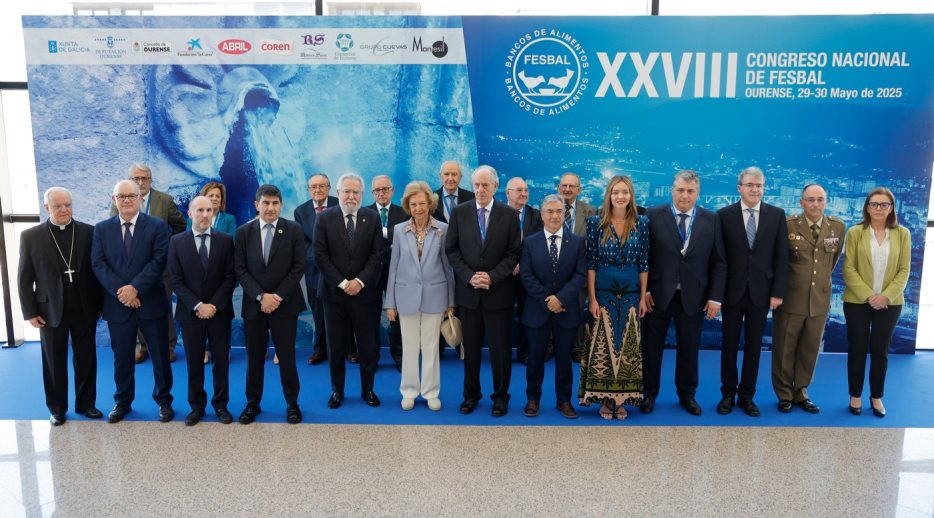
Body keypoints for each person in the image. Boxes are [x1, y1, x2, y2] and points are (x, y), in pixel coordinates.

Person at [642, 170, 726, 416]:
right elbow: (644, 256)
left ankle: (687, 395)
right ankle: (648, 394)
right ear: (672, 190)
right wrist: (645, 290)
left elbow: (719, 262)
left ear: (698, 193)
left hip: (694, 296)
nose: (685, 195)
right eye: (680, 190)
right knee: (651, 348)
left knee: (689, 349)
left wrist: (715, 297)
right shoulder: (652, 215)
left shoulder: (711, 219)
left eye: (690, 191)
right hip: (657, 295)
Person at [18, 187, 103, 426]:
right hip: (49, 311)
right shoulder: (30, 236)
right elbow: (24, 278)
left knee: (86, 359)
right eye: (57, 206)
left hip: (84, 308)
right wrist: (30, 312)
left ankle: (86, 404)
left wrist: (100, 305)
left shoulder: (88, 232)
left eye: (68, 205)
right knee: (53, 362)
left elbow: (97, 273)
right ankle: (57, 408)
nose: (64, 210)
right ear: (47, 208)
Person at [92, 180, 174, 424]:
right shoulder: (101, 229)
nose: (127, 200)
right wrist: (123, 292)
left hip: (151, 302)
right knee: (122, 358)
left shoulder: (157, 226)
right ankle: (123, 401)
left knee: (160, 356)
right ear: (114, 199)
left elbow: (159, 261)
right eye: (121, 196)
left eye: (131, 196)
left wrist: (135, 288)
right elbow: (98, 264)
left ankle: (164, 401)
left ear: (140, 198)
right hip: (118, 304)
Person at [446, 165, 521, 417]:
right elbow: (452, 250)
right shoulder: (459, 212)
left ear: (495, 187)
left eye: (485, 185)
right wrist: (470, 277)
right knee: (470, 351)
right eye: (476, 185)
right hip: (469, 295)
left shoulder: (509, 215)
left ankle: (500, 397)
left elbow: (514, 253)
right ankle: (471, 395)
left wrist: (491, 277)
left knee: (500, 352)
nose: (480, 189)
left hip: (498, 295)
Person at [717, 166, 789, 417]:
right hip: (732, 292)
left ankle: (747, 396)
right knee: (729, 345)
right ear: (740, 188)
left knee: (754, 347)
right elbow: (719, 258)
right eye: (750, 185)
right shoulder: (723, 215)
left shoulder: (776, 215)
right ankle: (727, 394)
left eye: (759, 186)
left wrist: (778, 292)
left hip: (762, 292)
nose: (755, 189)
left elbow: (782, 257)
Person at [234, 184, 307, 424]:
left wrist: (276, 297)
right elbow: (240, 269)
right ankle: (252, 403)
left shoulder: (293, 230)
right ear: (257, 205)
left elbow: (298, 266)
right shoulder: (244, 232)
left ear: (281, 205)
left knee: (287, 357)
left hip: (284, 305)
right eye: (266, 203)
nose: (270, 208)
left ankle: (292, 403)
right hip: (254, 306)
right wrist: (260, 296)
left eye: (275, 203)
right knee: (255, 358)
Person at [314, 173, 387, 409]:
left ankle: (368, 389)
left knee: (367, 346)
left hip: (365, 296)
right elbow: (320, 256)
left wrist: (360, 282)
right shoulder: (324, 218)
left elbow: (377, 255)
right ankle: (337, 390)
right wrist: (344, 283)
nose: (351, 196)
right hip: (334, 295)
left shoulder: (372, 218)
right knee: (336, 346)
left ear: (362, 195)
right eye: (347, 191)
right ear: (338, 193)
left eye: (356, 192)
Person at [771, 184, 845, 415]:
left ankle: (801, 391)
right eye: (810, 199)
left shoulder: (837, 227)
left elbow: (830, 263)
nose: (815, 204)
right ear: (801, 202)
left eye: (820, 199)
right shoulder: (788, 225)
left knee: (810, 349)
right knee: (785, 348)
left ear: (826, 202)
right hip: (791, 297)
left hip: (819, 300)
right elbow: (779, 261)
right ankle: (784, 394)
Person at [580, 175, 648, 420]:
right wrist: (592, 298)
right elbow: (591, 263)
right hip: (603, 293)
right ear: (609, 195)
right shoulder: (595, 223)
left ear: (631, 195)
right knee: (603, 346)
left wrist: (643, 297)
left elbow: (644, 263)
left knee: (627, 347)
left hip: (631, 294)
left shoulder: (642, 223)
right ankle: (604, 399)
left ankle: (621, 400)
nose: (620, 196)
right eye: (616, 192)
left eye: (625, 192)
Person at [384, 181, 455, 411]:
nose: (418, 208)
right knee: (410, 347)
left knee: (431, 347)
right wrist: (390, 303)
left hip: (436, 295)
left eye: (422, 203)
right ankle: (409, 391)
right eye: (413, 204)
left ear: (430, 204)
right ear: (408, 206)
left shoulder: (443, 229)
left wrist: (451, 301)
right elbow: (393, 268)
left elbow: (448, 268)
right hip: (405, 296)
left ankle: (431, 392)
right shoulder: (399, 230)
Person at [168, 196, 237, 426]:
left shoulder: (225, 241)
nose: (206, 214)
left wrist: (213, 305)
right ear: (190, 214)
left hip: (219, 313)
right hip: (191, 314)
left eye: (209, 210)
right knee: (194, 362)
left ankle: (221, 405)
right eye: (200, 210)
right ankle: (196, 406)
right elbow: (176, 281)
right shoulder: (177, 242)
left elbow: (230, 277)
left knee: (221, 362)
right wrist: (198, 306)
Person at [843, 188, 910, 418]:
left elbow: (904, 270)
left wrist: (885, 296)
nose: (879, 208)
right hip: (857, 301)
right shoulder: (855, 232)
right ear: (867, 207)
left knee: (880, 351)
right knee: (857, 348)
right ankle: (855, 395)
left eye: (884, 204)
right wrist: (870, 296)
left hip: (890, 303)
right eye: (874, 204)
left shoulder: (903, 234)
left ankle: (876, 396)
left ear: (892, 208)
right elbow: (848, 269)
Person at [111, 164, 186, 364]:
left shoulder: (164, 200)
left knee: (163, 304)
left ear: (151, 180)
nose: (140, 182)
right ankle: (142, 346)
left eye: (144, 178)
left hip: (161, 266)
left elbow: (180, 225)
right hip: (132, 268)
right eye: (136, 178)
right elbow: (113, 228)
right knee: (136, 305)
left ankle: (168, 345)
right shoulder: (120, 201)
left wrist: (167, 246)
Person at [519, 194, 585, 419]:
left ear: (564, 214)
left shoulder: (577, 242)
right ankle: (533, 399)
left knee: (564, 359)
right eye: (550, 211)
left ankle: (564, 400)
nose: (555, 216)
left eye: (559, 211)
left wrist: (561, 299)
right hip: (538, 310)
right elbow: (526, 276)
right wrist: (548, 300)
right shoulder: (530, 242)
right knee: (535, 358)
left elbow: (580, 275)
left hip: (566, 311)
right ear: (542, 214)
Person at [293, 174, 343, 365]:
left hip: (341, 269)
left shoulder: (340, 204)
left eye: (322, 186)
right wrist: (322, 259)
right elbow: (303, 243)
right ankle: (320, 350)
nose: (318, 190)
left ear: (329, 188)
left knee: (344, 310)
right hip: (314, 270)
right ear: (308, 190)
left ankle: (348, 349)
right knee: (318, 313)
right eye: (313, 187)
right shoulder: (300, 211)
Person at [188, 181, 237, 365]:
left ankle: (224, 348)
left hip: (221, 276)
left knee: (222, 314)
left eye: (218, 196)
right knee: (200, 314)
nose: (215, 198)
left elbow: (233, 244)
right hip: (198, 276)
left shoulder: (229, 219)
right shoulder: (192, 219)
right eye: (211, 195)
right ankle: (204, 348)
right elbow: (187, 247)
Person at [368, 175, 408, 371]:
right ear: (372, 193)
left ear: (392, 190)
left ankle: (399, 356)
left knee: (397, 317)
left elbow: (405, 237)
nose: (381, 193)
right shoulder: (364, 212)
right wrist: (391, 233)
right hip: (371, 273)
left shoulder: (404, 213)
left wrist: (382, 232)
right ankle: (372, 357)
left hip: (398, 272)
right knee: (370, 316)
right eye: (377, 190)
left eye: (385, 189)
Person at [558, 172, 598, 362]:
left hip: (579, 273)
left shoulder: (591, 211)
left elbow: (593, 244)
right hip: (552, 272)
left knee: (577, 311)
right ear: (559, 188)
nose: (567, 189)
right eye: (564, 185)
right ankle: (551, 345)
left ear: (579, 190)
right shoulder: (548, 208)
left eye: (571, 186)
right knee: (551, 310)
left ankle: (577, 346)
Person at [506, 176, 543, 364]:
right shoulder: (497, 213)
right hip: (503, 275)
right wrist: (510, 264)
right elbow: (493, 244)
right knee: (502, 316)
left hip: (528, 275)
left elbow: (539, 244)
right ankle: (503, 353)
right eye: (519, 190)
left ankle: (525, 352)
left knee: (527, 315)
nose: (524, 193)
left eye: (526, 190)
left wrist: (522, 263)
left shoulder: (536, 215)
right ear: (508, 193)